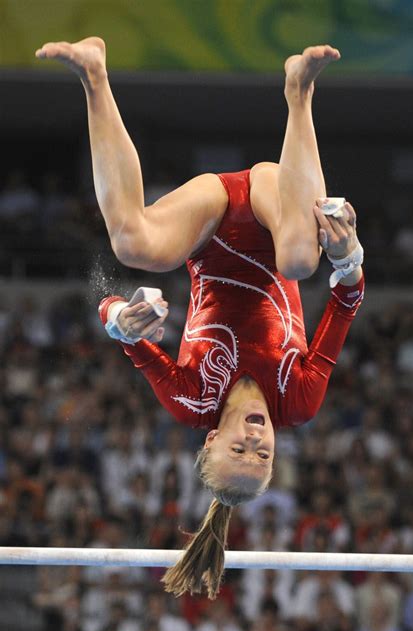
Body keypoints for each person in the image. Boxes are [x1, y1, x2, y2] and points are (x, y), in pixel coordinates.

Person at [36, 37, 365, 599]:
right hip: (274, 207)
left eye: (240, 449)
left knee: (133, 246)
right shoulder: (297, 400)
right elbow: (345, 301)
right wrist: (349, 254)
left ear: (211, 439)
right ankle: (300, 91)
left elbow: (114, 323)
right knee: (301, 259)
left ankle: (93, 76)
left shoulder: (189, 399)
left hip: (209, 223)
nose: (257, 441)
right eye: (263, 455)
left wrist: (125, 316)